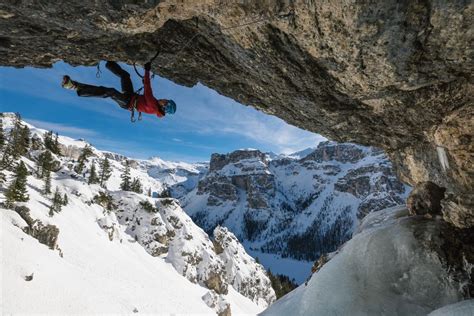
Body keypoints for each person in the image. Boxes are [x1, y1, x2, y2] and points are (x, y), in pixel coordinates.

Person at [61, 61, 176, 119]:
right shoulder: (155, 105)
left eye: (166, 102)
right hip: (131, 97)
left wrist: (147, 71)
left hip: (127, 102)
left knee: (109, 92)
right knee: (125, 76)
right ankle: (109, 62)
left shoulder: (153, 106)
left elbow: (148, 89)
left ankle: (74, 86)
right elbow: (147, 91)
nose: (164, 99)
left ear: (164, 106)